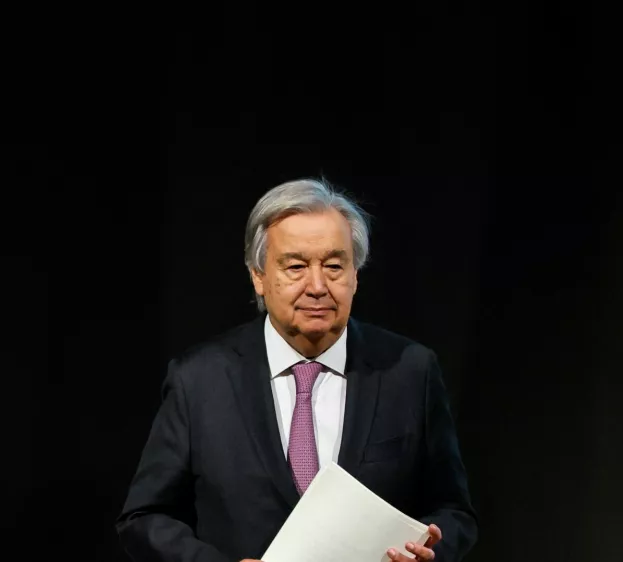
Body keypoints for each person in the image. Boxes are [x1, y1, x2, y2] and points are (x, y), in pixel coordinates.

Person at [117, 178, 478, 562]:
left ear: (356, 275)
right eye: (296, 266)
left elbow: (454, 512)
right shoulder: (199, 380)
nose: (317, 286)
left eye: (334, 266)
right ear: (258, 276)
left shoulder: (410, 371)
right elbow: (145, 518)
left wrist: (429, 552)